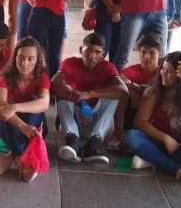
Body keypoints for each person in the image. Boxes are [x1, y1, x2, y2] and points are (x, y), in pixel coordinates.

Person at [123, 51, 181, 185]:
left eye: (170, 72)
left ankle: (152, 158)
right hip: (159, 141)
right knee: (131, 136)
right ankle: (177, 169)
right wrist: (166, 139)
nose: (164, 74)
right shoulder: (155, 90)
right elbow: (140, 122)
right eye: (163, 69)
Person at [52, 33, 127, 164]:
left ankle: (94, 144)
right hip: (74, 119)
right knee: (62, 95)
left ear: (103, 54)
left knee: (114, 96)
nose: (92, 56)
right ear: (81, 50)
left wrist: (89, 94)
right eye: (88, 51)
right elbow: (55, 84)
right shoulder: (70, 63)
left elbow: (123, 90)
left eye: (97, 52)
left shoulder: (108, 67)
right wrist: (80, 101)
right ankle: (72, 142)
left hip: (95, 123)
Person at [0, 37, 51, 182]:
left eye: (30, 59)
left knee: (33, 101)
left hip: (35, 124)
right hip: (12, 126)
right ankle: (22, 157)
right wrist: (23, 127)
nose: (24, 63)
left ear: (37, 60)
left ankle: (14, 155)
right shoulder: (5, 76)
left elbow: (44, 103)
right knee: (3, 114)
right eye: (21, 57)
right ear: (15, 57)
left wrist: (14, 107)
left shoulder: (42, 77)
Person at [120, 33, 162, 130]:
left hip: (157, 121)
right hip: (131, 118)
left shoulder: (163, 73)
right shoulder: (130, 71)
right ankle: (119, 129)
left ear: (159, 54)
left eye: (152, 53)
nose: (146, 57)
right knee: (122, 89)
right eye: (143, 52)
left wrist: (136, 88)